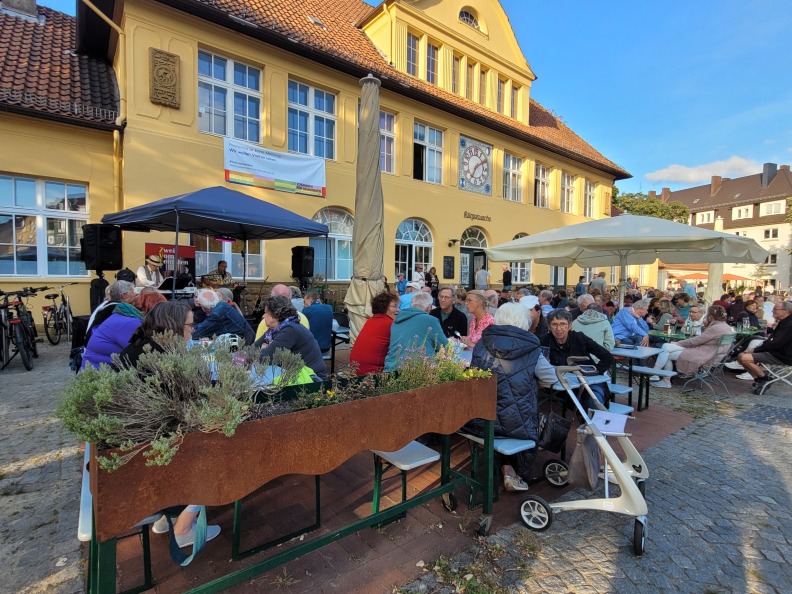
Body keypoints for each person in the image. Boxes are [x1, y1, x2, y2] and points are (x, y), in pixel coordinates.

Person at [117, 301, 222, 548]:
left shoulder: (137, 348)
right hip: (152, 457)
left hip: (134, 446)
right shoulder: (165, 359)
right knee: (225, 445)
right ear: (173, 327)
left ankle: (168, 517)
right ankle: (183, 525)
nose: (193, 331)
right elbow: (195, 401)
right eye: (190, 326)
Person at [470, 303, 557, 492]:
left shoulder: (482, 343)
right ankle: (516, 473)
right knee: (527, 417)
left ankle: (506, 467)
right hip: (517, 423)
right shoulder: (531, 348)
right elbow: (551, 378)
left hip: (480, 419)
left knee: (504, 413)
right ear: (524, 322)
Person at [540, 309, 614, 408]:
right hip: (563, 384)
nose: (558, 329)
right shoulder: (544, 340)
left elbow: (608, 357)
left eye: (563, 324)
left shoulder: (579, 338)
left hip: (589, 382)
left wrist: (593, 371)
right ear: (549, 326)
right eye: (554, 324)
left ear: (570, 326)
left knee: (593, 403)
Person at [648, 305, 733, 389]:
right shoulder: (725, 326)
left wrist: (678, 343)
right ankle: (656, 375)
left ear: (710, 316)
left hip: (703, 354)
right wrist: (705, 326)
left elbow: (696, 341)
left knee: (668, 353)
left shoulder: (715, 328)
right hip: (710, 353)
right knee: (666, 346)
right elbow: (701, 339)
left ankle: (664, 379)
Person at [255, 296, 328, 379]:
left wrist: (263, 349)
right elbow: (252, 349)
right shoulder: (273, 331)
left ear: (275, 316)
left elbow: (265, 358)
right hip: (297, 375)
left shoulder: (290, 330)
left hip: (312, 379)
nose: (263, 316)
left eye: (266, 313)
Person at [82, 289, 150, 370]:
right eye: (133, 292)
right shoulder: (131, 322)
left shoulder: (118, 310)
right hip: (100, 372)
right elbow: (141, 354)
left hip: (94, 365)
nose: (135, 295)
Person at [383, 292, 448, 372]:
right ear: (429, 308)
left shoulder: (396, 320)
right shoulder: (430, 320)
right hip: (417, 370)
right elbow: (445, 346)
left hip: (391, 368)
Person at [738, 301, 792, 394]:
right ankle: (760, 380)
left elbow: (775, 343)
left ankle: (764, 378)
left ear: (786, 311)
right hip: (776, 352)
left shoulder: (789, 325)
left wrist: (755, 350)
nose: (772, 311)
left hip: (783, 356)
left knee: (743, 358)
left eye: (775, 309)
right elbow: (771, 340)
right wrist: (756, 349)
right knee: (740, 356)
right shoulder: (783, 322)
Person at [349, 292, 399, 375]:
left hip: (355, 368)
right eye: (394, 306)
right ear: (383, 308)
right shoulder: (390, 324)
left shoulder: (370, 320)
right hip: (372, 373)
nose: (398, 309)